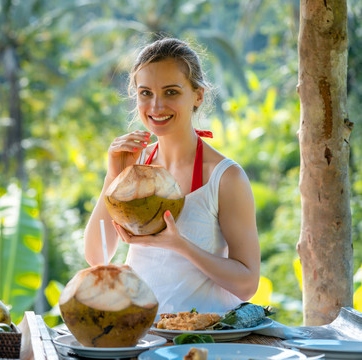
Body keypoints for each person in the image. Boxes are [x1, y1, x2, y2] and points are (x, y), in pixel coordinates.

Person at [83, 37, 260, 314]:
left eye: (171, 92)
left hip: (206, 340)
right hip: (142, 334)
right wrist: (113, 177)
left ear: (198, 96)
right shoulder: (134, 165)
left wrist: (179, 245)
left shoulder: (225, 177)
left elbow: (247, 284)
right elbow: (97, 257)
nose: (156, 106)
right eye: (145, 93)